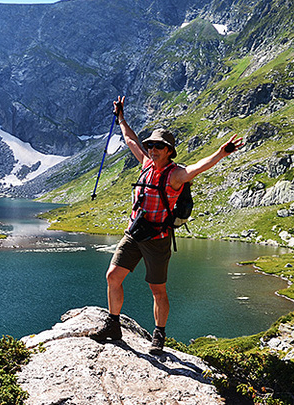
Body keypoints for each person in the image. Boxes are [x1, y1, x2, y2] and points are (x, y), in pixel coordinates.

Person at [89, 96, 244, 354]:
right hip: (134, 233)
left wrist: (222, 152)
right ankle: (114, 325)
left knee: (157, 289)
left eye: (158, 147)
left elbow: (200, 167)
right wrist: (121, 118)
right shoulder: (146, 164)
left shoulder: (176, 174)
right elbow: (130, 140)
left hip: (157, 238)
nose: (152, 150)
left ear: (169, 150)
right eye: (151, 146)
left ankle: (159, 335)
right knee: (113, 276)